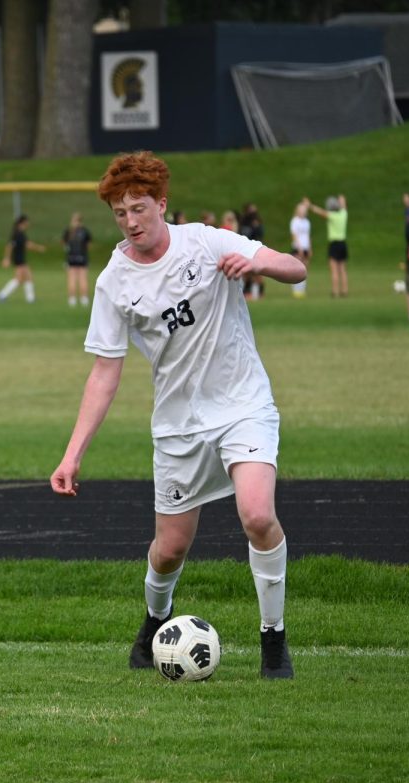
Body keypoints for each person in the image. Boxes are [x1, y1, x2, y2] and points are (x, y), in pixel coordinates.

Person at [50, 151, 304, 680]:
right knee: (169, 550)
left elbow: (295, 267)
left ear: (162, 203)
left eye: (139, 208)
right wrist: (72, 455)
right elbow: (104, 373)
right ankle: (153, 622)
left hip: (243, 405)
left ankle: (274, 641)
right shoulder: (113, 282)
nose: (131, 221)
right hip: (179, 425)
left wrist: (257, 262)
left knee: (257, 515)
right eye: (120, 213)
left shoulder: (206, 241)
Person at [0, 214, 45, 303]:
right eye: (27, 222)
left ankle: (30, 298)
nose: (28, 224)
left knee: (27, 277)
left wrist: (7, 258)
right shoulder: (18, 233)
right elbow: (24, 245)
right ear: (22, 223)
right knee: (20, 279)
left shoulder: (18, 233)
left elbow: (13, 245)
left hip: (19, 258)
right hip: (19, 258)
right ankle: (2, 295)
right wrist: (39, 248)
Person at [307, 195, 348, 298]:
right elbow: (343, 205)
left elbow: (320, 212)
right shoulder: (344, 214)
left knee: (334, 269)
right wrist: (341, 199)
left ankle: (335, 291)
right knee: (342, 269)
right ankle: (344, 290)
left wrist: (310, 205)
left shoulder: (332, 216)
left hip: (334, 244)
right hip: (343, 244)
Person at [62, 212, 93, 308]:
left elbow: (63, 242)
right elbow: (89, 245)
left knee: (72, 278)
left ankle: (72, 300)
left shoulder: (69, 231)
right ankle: (84, 299)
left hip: (71, 257)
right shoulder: (85, 231)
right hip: (83, 257)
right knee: (83, 278)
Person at [240, 203, 265, 300]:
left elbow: (260, 234)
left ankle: (259, 293)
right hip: (244, 249)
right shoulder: (243, 222)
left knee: (257, 273)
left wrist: (257, 226)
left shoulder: (256, 222)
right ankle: (247, 292)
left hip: (254, 249)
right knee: (246, 273)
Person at [289, 202, 311, 298]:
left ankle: (302, 290)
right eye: (301, 210)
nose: (303, 212)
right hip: (297, 248)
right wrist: (299, 247)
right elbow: (294, 235)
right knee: (296, 269)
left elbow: (308, 236)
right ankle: (296, 290)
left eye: (304, 210)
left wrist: (310, 247)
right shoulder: (295, 221)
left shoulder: (307, 222)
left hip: (306, 248)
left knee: (305, 269)